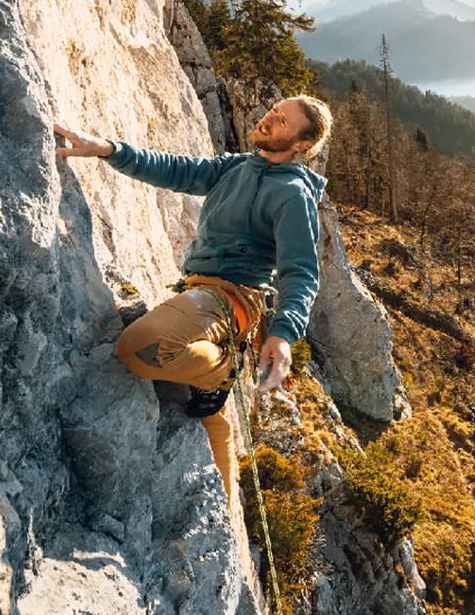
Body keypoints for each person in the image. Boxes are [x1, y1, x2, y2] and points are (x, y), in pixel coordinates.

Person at [53, 95, 332, 501]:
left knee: (140, 347)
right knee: (212, 418)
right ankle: (227, 512)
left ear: (301, 146)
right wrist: (106, 149)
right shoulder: (238, 167)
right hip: (198, 291)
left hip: (230, 299)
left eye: (283, 122)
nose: (269, 118)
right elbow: (178, 170)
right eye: (272, 109)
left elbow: (301, 271)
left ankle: (220, 371)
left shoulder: (292, 194)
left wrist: (285, 334)